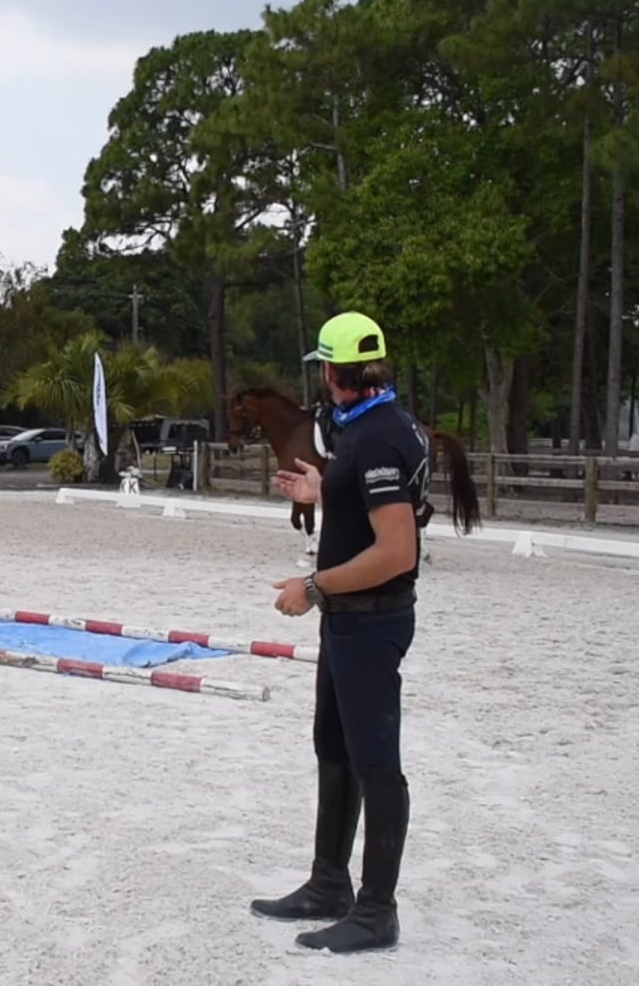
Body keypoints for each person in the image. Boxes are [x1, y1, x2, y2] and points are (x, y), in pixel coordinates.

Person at [254, 310, 430, 955]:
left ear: (334, 371)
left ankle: (377, 910)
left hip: (370, 617)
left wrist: (315, 587)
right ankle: (329, 882)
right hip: (349, 620)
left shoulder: (380, 437)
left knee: (378, 765)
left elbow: (396, 552)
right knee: (334, 746)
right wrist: (324, 487)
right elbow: (374, 504)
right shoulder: (371, 428)